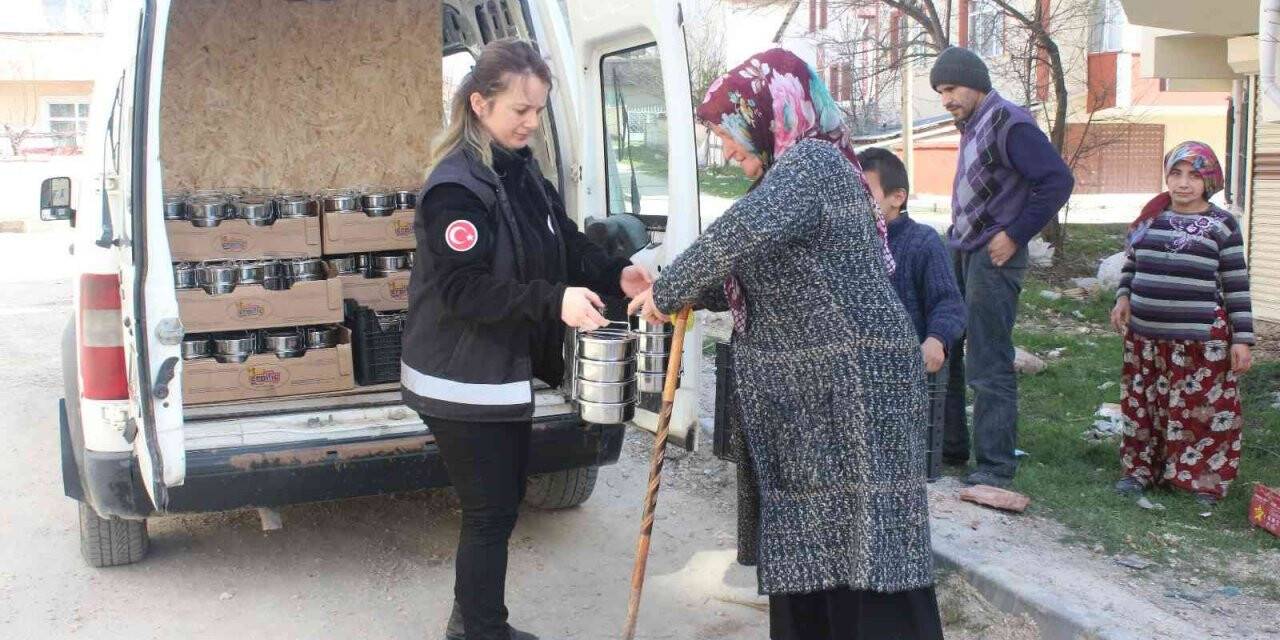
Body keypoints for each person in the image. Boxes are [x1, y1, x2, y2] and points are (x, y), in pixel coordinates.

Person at [630, 48, 943, 640]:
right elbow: (765, 268)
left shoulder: (813, 164)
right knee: (818, 540)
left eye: (731, 132)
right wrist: (681, 291)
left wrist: (671, 289)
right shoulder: (795, 175)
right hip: (817, 394)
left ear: (771, 112)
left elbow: (737, 235)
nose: (726, 149)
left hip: (853, 388)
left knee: (863, 543)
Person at [399, 38, 653, 640]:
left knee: (499, 503)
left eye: (539, 110)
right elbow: (466, 290)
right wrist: (552, 300)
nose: (532, 122)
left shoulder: (519, 171)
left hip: (496, 370)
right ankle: (480, 631)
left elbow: (559, 240)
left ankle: (474, 621)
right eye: (521, 109)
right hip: (458, 373)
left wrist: (611, 272)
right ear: (481, 104)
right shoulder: (456, 188)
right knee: (490, 511)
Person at [930, 46, 1075, 487]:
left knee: (988, 359)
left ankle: (995, 466)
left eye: (951, 89)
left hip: (994, 257)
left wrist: (1015, 234)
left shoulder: (1009, 122)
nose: (946, 99)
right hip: (962, 249)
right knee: (947, 349)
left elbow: (1058, 180)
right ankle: (950, 448)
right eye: (940, 91)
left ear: (974, 82)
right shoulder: (973, 123)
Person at [1110, 141, 1253, 507]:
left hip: (1200, 340)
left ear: (1210, 181)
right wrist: (1123, 297)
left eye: (1194, 175)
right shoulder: (1150, 217)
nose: (1183, 183)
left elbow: (1236, 283)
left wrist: (1243, 340)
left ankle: (1201, 483)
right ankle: (1140, 472)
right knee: (1144, 408)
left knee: (1201, 414)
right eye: (1176, 173)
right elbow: (1132, 264)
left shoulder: (1222, 225)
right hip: (1146, 336)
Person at [857, 147, 965, 375]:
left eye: (865, 191)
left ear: (898, 197)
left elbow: (949, 304)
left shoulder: (922, 242)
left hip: (909, 372)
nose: (856, 199)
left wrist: (937, 339)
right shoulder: (848, 246)